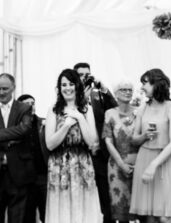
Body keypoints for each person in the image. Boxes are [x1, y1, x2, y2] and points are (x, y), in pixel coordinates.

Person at [44, 68, 102, 223]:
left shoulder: (86, 109)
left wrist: (80, 118)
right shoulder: (53, 110)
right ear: (59, 88)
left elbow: (92, 142)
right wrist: (65, 126)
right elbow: (50, 144)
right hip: (58, 165)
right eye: (63, 85)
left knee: (83, 205)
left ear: (77, 86)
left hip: (82, 163)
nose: (67, 88)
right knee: (61, 207)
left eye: (71, 84)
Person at [0, 73, 35, 223]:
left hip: (18, 173)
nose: (1, 92)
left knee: (17, 219)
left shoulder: (24, 108)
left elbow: (24, 130)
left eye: (5, 88)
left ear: (13, 88)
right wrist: (9, 140)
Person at [130, 68, 171, 222]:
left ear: (157, 84)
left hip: (163, 162)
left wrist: (153, 165)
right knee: (149, 216)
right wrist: (144, 137)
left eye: (145, 83)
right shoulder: (142, 108)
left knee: (165, 217)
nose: (142, 87)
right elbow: (134, 139)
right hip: (144, 158)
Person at [74, 62, 117, 223]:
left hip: (100, 155)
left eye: (88, 74)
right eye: (81, 74)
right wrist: (81, 100)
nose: (85, 77)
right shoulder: (68, 96)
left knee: (106, 198)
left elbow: (115, 109)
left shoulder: (98, 95)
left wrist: (105, 89)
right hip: (79, 155)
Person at [102, 79, 140, 223]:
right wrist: (121, 164)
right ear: (116, 94)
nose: (127, 92)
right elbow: (108, 141)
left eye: (130, 89)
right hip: (116, 166)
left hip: (138, 164)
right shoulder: (109, 113)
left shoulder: (139, 111)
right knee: (120, 211)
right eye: (123, 89)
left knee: (139, 209)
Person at [17, 94, 48, 223]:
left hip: (43, 176)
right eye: (27, 104)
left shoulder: (44, 123)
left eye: (33, 103)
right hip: (24, 179)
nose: (31, 106)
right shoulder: (15, 127)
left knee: (46, 214)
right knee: (27, 216)